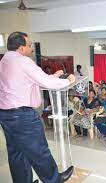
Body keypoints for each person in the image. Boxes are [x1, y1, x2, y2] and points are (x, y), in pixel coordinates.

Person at [0, 32, 75, 183]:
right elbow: (46, 83)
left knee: (16, 153)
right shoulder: (23, 62)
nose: (32, 48)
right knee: (38, 150)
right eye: (29, 45)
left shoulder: (4, 61)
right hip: (23, 117)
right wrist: (68, 80)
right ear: (21, 48)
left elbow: (32, 80)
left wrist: (53, 76)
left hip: (6, 115)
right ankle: (54, 180)